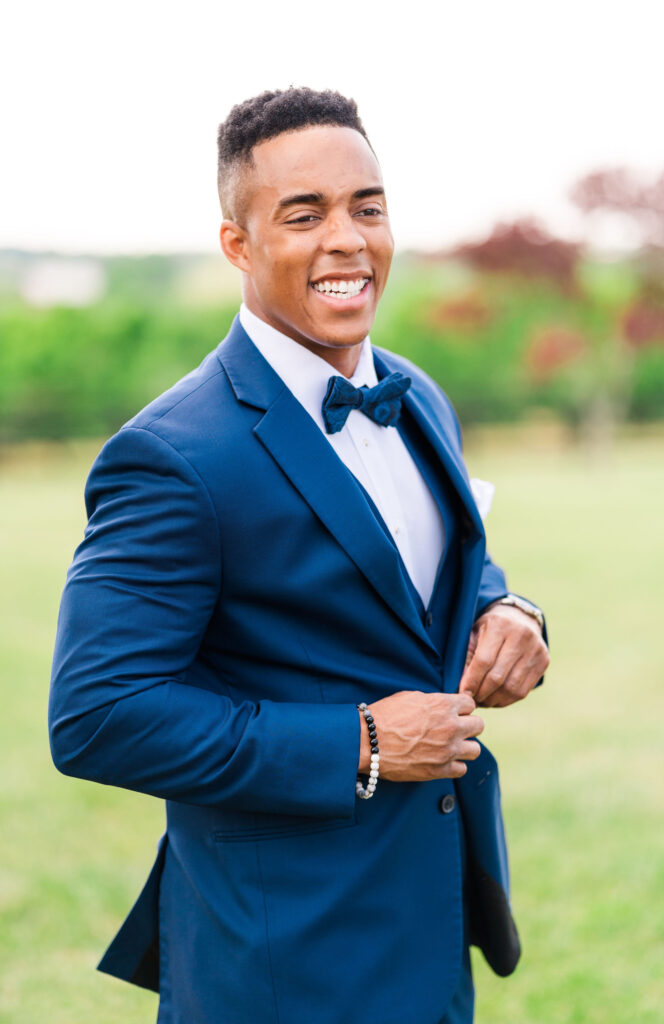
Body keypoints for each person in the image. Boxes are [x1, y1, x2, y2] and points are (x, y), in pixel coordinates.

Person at [48, 87, 549, 1024]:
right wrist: (358, 743)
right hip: (281, 953)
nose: (348, 239)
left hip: (432, 918)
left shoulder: (415, 390)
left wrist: (508, 611)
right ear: (238, 243)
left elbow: (436, 569)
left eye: (367, 206)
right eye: (304, 214)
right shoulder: (172, 456)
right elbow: (98, 715)